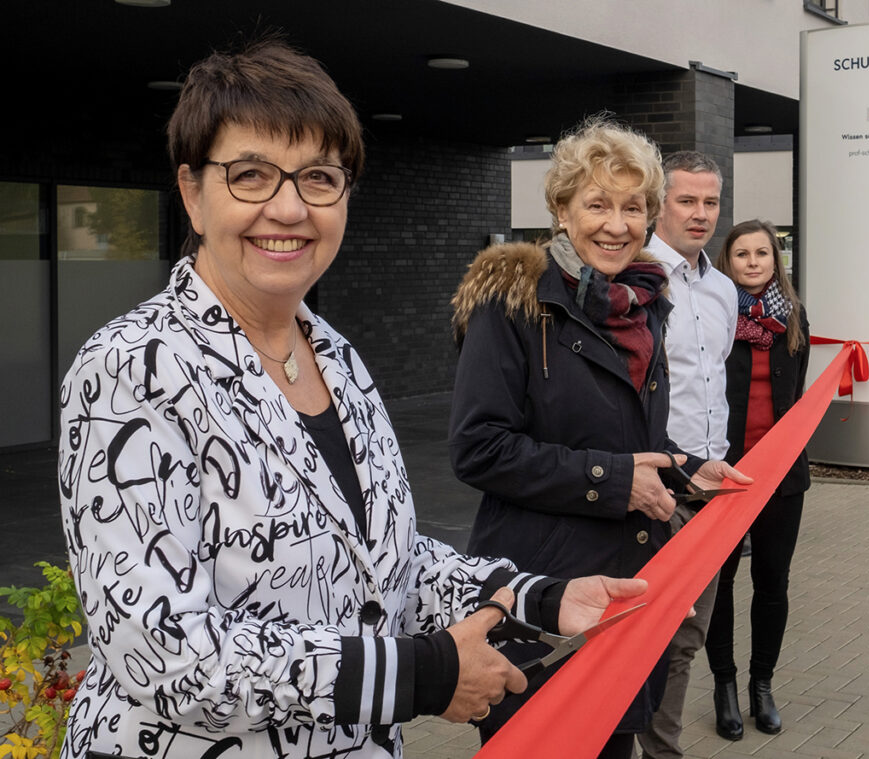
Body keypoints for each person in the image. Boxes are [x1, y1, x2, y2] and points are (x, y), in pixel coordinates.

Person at [56, 40, 651, 759]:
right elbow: (163, 652)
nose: (288, 207)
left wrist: (539, 597)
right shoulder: (131, 368)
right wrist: (420, 673)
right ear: (191, 192)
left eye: (318, 177)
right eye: (250, 175)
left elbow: (385, 565)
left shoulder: (334, 353)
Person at [448, 117, 751, 759]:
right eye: (597, 204)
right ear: (562, 211)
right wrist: (614, 482)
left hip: (626, 590)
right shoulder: (514, 305)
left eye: (633, 207)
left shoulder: (646, 306)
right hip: (541, 594)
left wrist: (683, 468)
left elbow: (630, 437)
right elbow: (479, 448)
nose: (617, 225)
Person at [639, 152, 738, 758]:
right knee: (645, 633)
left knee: (686, 638)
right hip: (655, 487)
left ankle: (660, 750)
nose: (700, 214)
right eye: (687, 201)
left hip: (713, 493)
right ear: (661, 205)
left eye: (711, 202)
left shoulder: (724, 289)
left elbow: (713, 380)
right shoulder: (636, 279)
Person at [704, 218, 810, 739]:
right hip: (724, 472)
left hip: (782, 477)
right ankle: (723, 685)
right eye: (741, 253)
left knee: (772, 582)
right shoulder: (714, 315)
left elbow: (798, 393)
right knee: (719, 583)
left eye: (762, 253)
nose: (752, 262)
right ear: (728, 260)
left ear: (775, 260)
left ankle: (761, 685)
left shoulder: (794, 317)